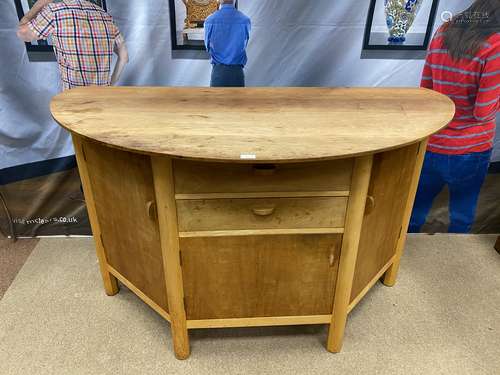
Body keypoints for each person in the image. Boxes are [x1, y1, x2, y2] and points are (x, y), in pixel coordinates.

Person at [410, 0, 499, 233]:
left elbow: (426, 93)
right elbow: (483, 112)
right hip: (471, 148)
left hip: (433, 141)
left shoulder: (443, 30)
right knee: (462, 214)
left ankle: (403, 253)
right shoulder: (496, 45)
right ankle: (456, 258)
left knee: (414, 209)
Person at [17, 0, 128, 90]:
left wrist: (39, 4)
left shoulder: (54, 11)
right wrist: (109, 87)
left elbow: (22, 33)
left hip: (72, 103)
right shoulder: (105, 16)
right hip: (101, 101)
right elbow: (124, 57)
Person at [204, 0, 251, 87]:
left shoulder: (210, 20)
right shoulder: (245, 20)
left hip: (218, 73)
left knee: (217, 100)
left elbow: (207, 47)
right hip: (237, 73)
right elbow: (244, 44)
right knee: (238, 100)